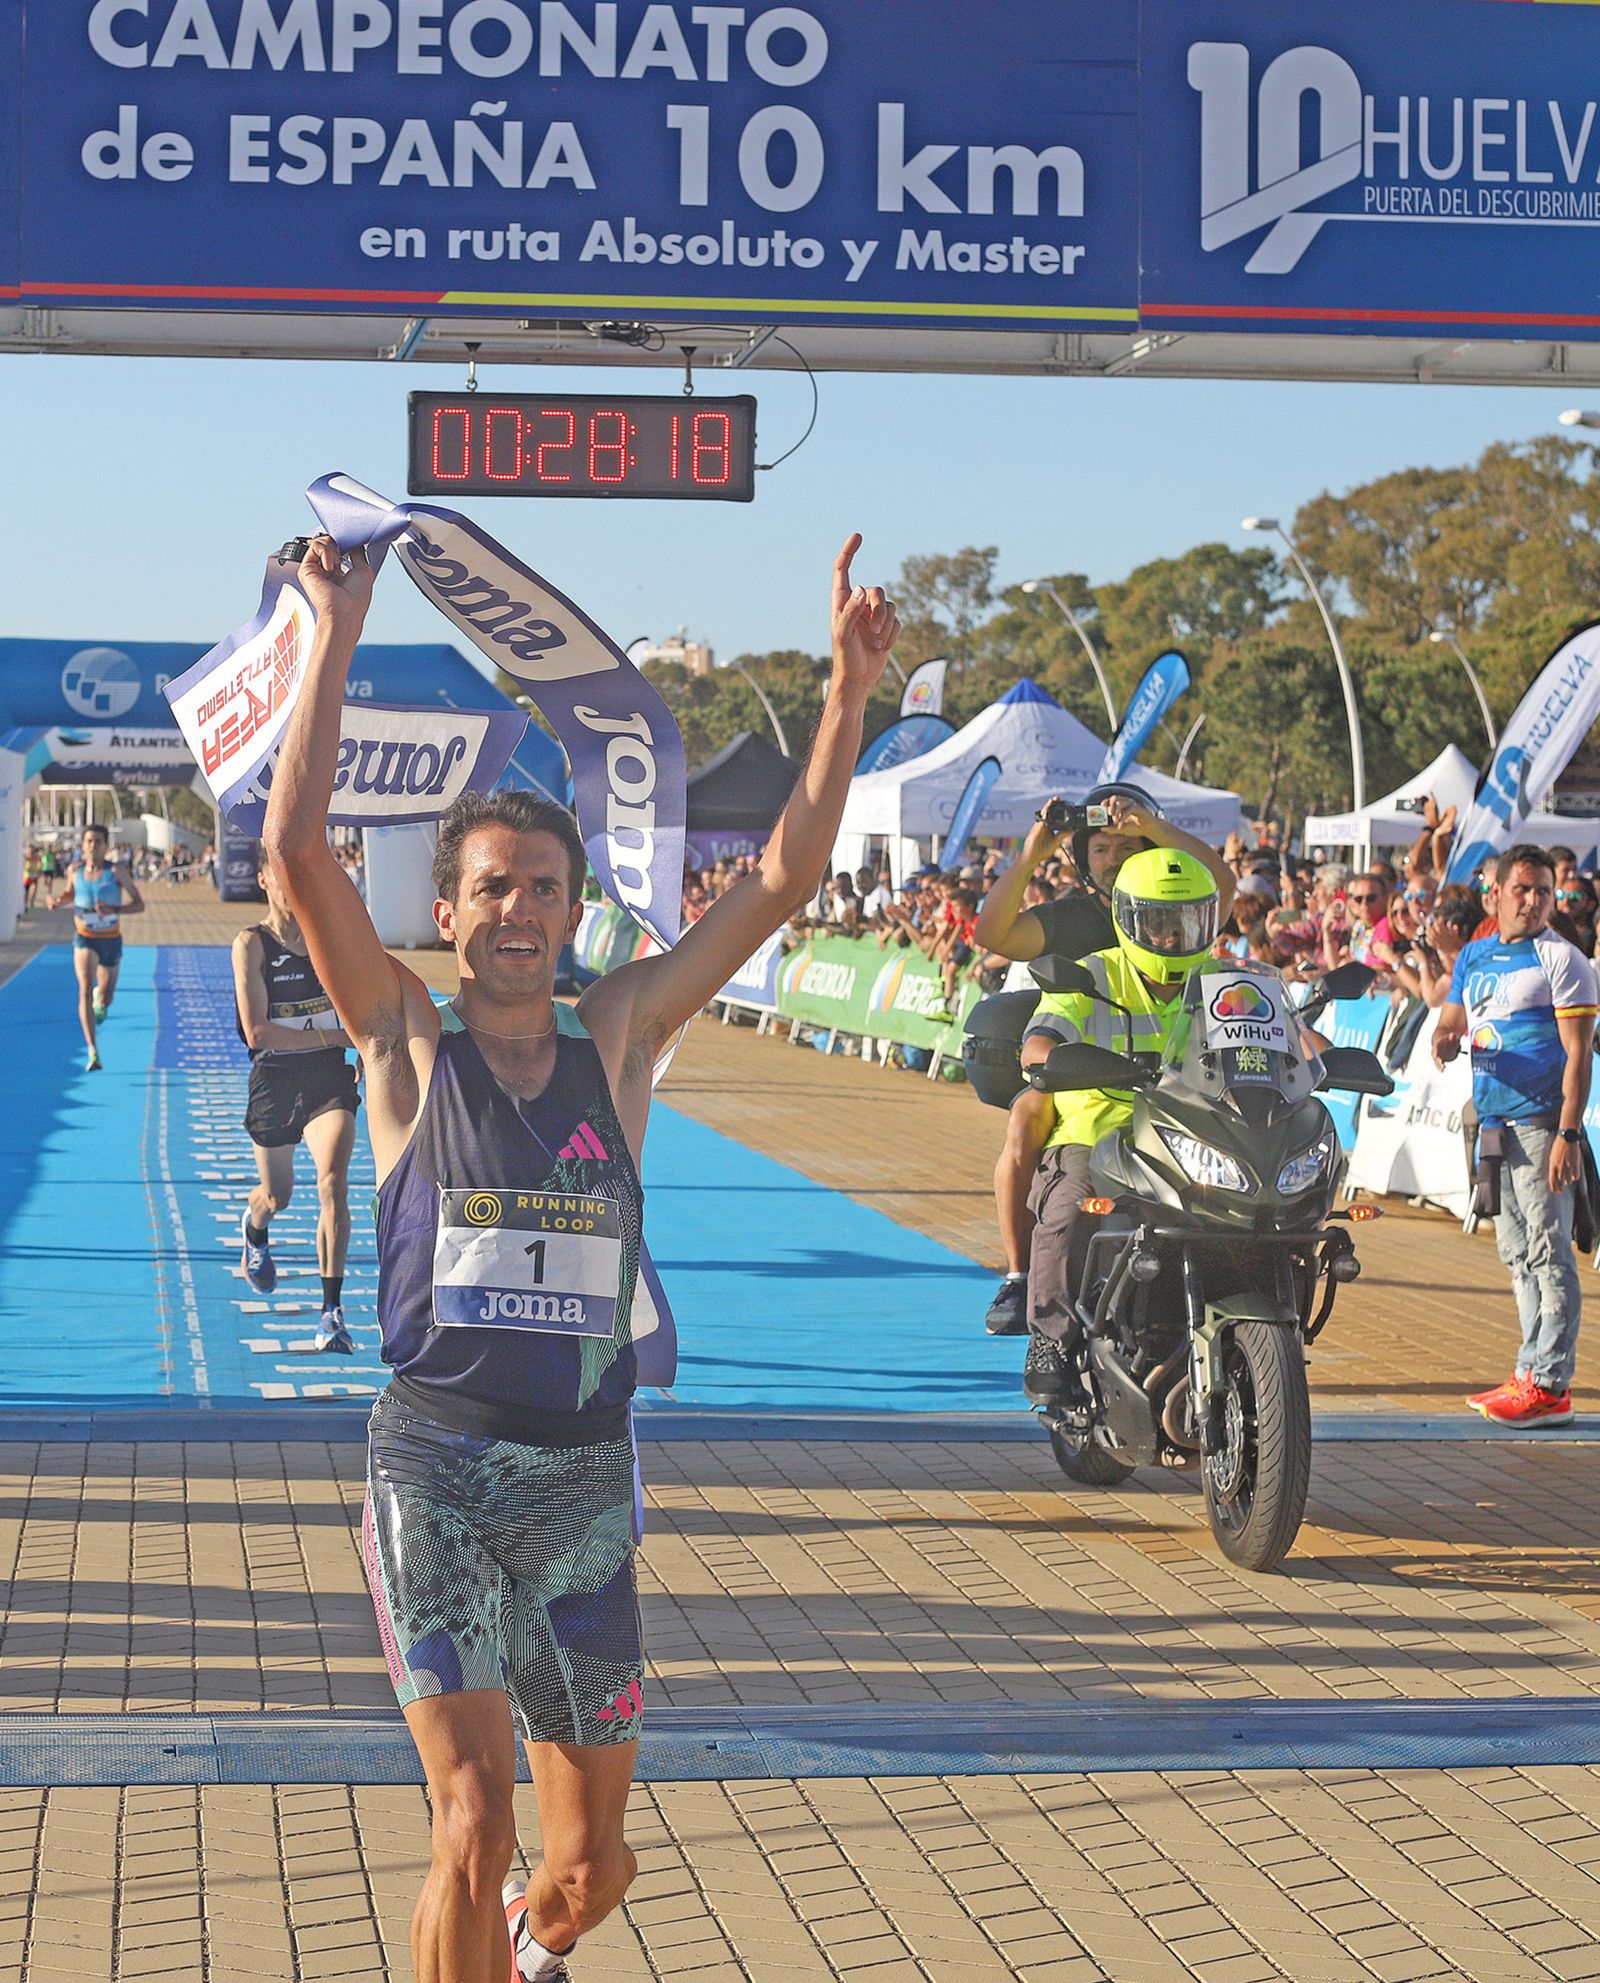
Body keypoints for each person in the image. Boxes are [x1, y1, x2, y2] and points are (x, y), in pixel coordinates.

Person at [264, 531, 898, 1983]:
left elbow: (784, 877)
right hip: (434, 1465)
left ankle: (525, 1946)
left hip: (581, 1483)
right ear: (448, 910)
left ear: (571, 909)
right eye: (492, 887)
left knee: (589, 1866)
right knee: (470, 1818)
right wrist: (333, 630)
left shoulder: (619, 1035)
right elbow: (296, 856)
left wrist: (846, 695)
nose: (519, 910)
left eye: (542, 887)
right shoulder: (403, 1041)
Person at [970, 791, 1234, 1337]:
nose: (1114, 858)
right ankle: (1021, 1275)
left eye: (1127, 846)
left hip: (1173, 1086)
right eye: (1101, 849)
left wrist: (1154, 827)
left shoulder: (1185, 906)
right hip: (1081, 1068)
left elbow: (1221, 885)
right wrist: (1031, 855)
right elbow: (992, 935)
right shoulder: (1070, 918)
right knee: (1028, 1115)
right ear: (1083, 859)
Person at [1017, 848, 1223, 1404]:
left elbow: (1287, 1035)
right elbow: (1040, 1038)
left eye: (1187, 922)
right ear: (1129, 919)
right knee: (1070, 1209)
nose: (1173, 936)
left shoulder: (1222, 981)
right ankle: (1050, 1339)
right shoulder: (1092, 975)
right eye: (1159, 921)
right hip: (1100, 1134)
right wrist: (1049, 1057)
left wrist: (1315, 1052)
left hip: (1196, 1138)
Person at [1434, 844, 1598, 1426]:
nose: (1533, 900)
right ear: (1496, 893)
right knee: (1515, 1252)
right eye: (1523, 889)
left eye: (1543, 891)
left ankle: (1551, 1383)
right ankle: (1528, 1370)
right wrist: (1443, 1038)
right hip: (1491, 1123)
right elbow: (1453, 1017)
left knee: (1549, 1252)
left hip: (1541, 1123)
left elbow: (1580, 1056)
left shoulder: (1563, 959)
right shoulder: (1474, 955)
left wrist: (1568, 1133)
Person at [232, 843, 361, 1355]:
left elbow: (360, 999)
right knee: (277, 1196)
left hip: (328, 1079)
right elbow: (258, 1032)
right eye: (279, 876)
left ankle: (331, 1313)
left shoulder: (327, 934)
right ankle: (255, 1227)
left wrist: (361, 1041)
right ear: (264, 880)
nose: (290, 886)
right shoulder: (252, 944)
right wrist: (332, 1035)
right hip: (276, 1082)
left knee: (333, 1183)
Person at [50, 823, 144, 1071]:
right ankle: (93, 1051)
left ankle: (100, 1002)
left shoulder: (117, 872)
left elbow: (139, 904)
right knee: (84, 987)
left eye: (98, 842)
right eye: (89, 841)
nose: (93, 846)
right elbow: (69, 893)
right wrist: (57, 901)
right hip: (85, 937)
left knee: (107, 996)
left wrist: (115, 909)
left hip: (110, 939)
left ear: (105, 846)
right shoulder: (75, 870)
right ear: (82, 846)